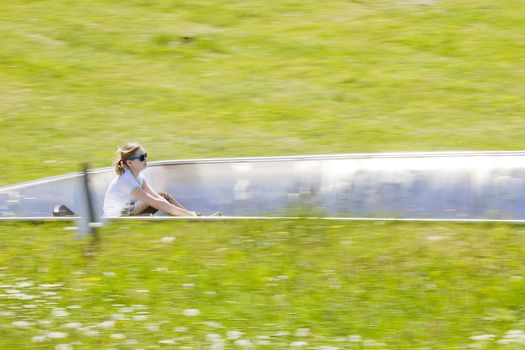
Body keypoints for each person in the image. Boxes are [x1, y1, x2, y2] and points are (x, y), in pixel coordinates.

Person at [103, 142, 198, 217]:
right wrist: (187, 214)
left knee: (164, 196)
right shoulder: (127, 180)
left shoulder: (139, 177)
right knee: (154, 210)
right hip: (117, 218)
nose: (145, 159)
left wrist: (185, 213)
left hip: (127, 212)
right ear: (130, 162)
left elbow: (157, 197)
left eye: (145, 155)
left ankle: (188, 217)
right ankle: (189, 217)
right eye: (141, 158)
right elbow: (154, 202)